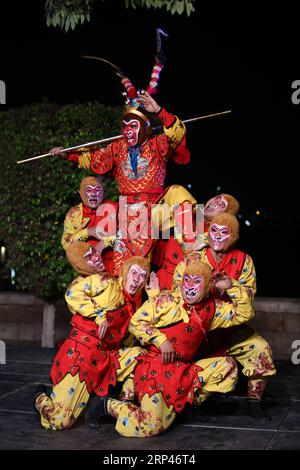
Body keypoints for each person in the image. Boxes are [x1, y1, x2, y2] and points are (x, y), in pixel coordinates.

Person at [83, 260, 255, 437]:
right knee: (151, 426)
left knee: (228, 367)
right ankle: (106, 405)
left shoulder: (213, 308)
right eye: (187, 280)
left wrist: (231, 285)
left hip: (184, 369)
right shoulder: (166, 300)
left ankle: (187, 406)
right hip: (156, 368)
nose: (190, 287)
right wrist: (161, 340)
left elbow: (244, 313)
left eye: (197, 282)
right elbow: (136, 323)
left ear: (207, 286)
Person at [50, 90, 195, 275]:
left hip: (156, 206)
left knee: (178, 193)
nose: (128, 130)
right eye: (125, 126)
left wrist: (158, 110)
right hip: (129, 213)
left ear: (144, 127)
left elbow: (176, 133)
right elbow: (96, 160)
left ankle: (191, 246)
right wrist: (67, 154)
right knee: (128, 266)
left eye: (133, 125)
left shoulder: (158, 143)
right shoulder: (116, 148)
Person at [34, 242, 151, 430]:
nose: (137, 280)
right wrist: (99, 315)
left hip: (106, 358)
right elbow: (72, 293)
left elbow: (130, 337)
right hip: (82, 357)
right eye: (134, 273)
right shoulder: (106, 281)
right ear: (125, 272)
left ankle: (114, 403)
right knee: (59, 421)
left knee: (142, 356)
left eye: (142, 276)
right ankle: (41, 396)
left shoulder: (134, 306)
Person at [173, 213, 276, 418]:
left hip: (231, 327)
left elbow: (249, 296)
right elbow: (178, 290)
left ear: (234, 237)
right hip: (200, 328)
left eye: (224, 232)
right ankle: (195, 402)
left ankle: (254, 401)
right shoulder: (194, 258)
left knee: (260, 349)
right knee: (185, 367)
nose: (218, 237)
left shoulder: (244, 260)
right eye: (214, 231)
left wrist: (232, 286)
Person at [61, 175, 117, 274]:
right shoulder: (74, 214)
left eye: (97, 190)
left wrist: (103, 244)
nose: (93, 194)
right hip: (88, 271)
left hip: (114, 267)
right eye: (88, 190)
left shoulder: (113, 208)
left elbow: (128, 235)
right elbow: (66, 245)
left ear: (103, 192)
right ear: (80, 193)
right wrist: (88, 232)